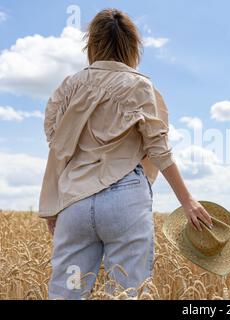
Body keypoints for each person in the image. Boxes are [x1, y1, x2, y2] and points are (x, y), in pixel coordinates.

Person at [38, 8, 213, 299]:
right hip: (125, 200)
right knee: (126, 292)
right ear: (132, 46)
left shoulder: (68, 86)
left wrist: (54, 203)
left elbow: (56, 142)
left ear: (91, 44)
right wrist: (187, 200)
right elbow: (158, 148)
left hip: (74, 202)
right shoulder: (140, 85)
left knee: (66, 292)